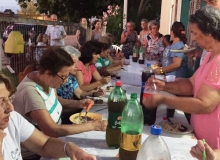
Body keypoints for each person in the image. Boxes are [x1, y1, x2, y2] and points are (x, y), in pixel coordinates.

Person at [142, 6, 220, 149]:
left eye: (195, 33)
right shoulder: (210, 54)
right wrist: (163, 85)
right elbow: (191, 84)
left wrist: (164, 99)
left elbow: (205, 104)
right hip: (200, 141)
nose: (194, 38)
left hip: (213, 146)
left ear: (209, 32)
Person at [13, 47, 107, 159]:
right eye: (63, 77)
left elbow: (56, 100)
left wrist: (79, 104)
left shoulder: (43, 78)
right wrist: (93, 125)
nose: (66, 80)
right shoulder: (30, 92)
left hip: (55, 140)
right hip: (36, 153)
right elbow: (51, 130)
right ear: (48, 73)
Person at [0, 72, 96, 160]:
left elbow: (44, 144)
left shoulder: (13, 118)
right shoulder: (30, 90)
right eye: (1, 102)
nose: (11, 108)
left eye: (9, 98)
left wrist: (70, 149)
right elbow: (52, 130)